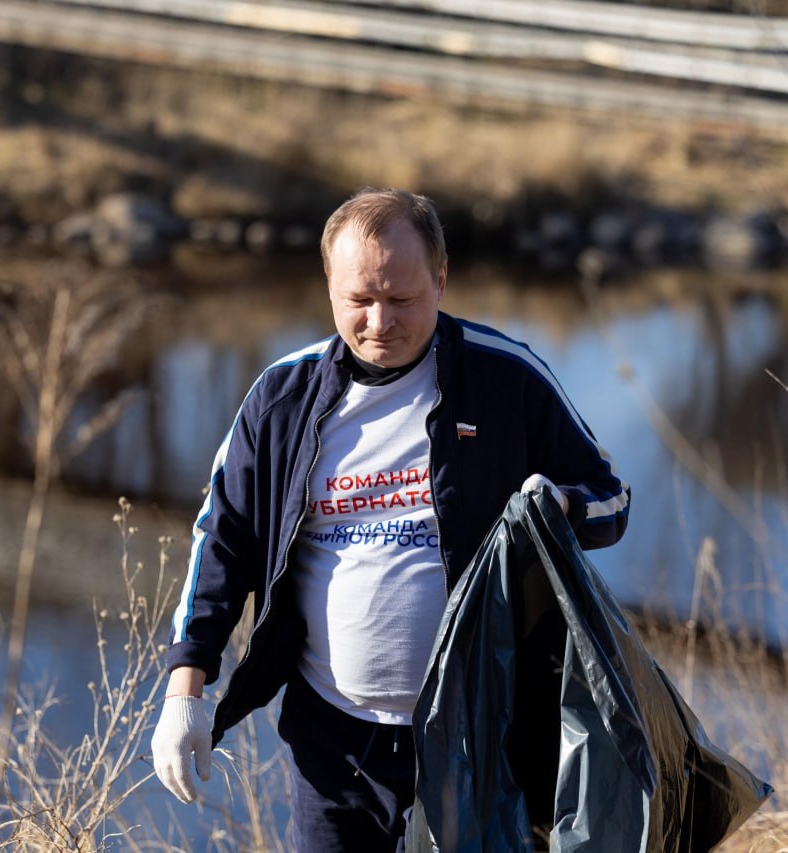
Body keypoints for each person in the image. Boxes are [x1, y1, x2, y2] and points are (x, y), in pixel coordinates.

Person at [151, 188, 630, 851]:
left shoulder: (505, 379)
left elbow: (611, 500)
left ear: (440, 278)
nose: (380, 321)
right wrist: (186, 689)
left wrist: (563, 507)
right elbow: (222, 541)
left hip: (479, 736)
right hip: (332, 740)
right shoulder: (282, 397)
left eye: (402, 300)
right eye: (359, 300)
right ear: (329, 286)